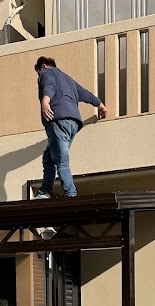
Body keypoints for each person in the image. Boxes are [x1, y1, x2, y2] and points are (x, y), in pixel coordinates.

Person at [33, 56, 108, 199]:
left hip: (58, 121)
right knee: (49, 158)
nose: (39, 76)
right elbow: (86, 94)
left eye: (38, 72)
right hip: (73, 123)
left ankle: (70, 193)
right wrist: (100, 105)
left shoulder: (46, 73)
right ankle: (45, 191)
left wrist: (45, 100)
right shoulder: (68, 80)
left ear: (42, 66)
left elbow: (49, 85)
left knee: (61, 160)